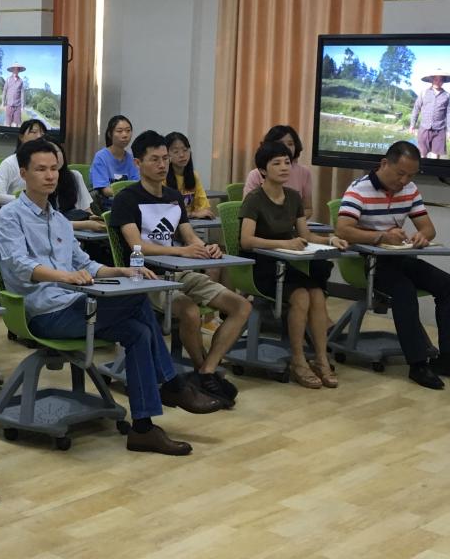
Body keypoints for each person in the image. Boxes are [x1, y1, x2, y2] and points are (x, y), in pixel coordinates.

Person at [0, 139, 225, 455]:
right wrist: (65, 276)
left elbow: (86, 264)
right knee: (138, 301)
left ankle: (143, 428)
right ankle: (172, 384)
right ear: (23, 173)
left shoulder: (60, 220)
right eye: (41, 169)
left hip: (75, 303)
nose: (50, 176)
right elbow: (18, 265)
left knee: (139, 331)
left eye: (54, 169)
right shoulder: (10, 215)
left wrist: (122, 271)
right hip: (43, 312)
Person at [110, 130, 250, 404]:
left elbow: (189, 235)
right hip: (145, 276)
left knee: (241, 306)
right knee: (189, 310)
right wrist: (182, 250)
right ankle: (203, 372)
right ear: (138, 163)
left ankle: (206, 371)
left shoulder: (173, 196)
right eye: (155, 159)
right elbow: (138, 246)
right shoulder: (127, 198)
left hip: (179, 272)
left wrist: (205, 247)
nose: (162, 164)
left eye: (165, 158)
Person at [335, 141, 450, 390]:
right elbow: (343, 230)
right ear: (384, 164)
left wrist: (422, 237)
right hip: (371, 262)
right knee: (404, 292)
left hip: (401, 256)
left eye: (410, 175)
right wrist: (380, 237)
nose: (404, 181)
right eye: (400, 174)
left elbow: (428, 228)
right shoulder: (359, 189)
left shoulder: (410, 190)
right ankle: (418, 364)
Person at [239, 141, 347, 389]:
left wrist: (331, 240)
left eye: (287, 162)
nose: (284, 167)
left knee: (317, 294)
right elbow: (246, 240)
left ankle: (321, 359)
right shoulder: (254, 199)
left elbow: (305, 235)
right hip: (260, 267)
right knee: (301, 297)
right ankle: (298, 361)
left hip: (286, 265)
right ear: (263, 170)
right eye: (276, 163)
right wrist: (284, 243)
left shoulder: (293, 197)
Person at [243, 125, 313, 219]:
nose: (286, 147)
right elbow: (248, 210)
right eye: (280, 143)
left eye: (290, 144)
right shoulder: (255, 175)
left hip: (293, 225)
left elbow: (307, 208)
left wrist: (292, 222)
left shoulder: (304, 173)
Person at [0, 119, 48, 206]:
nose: (39, 136)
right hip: (15, 211)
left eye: (42, 134)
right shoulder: (9, 163)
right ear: (21, 137)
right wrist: (26, 200)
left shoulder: (47, 163)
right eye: (34, 132)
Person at [90, 115, 138, 209]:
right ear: (110, 134)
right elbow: (104, 190)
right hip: (107, 204)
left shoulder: (131, 159)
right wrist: (126, 196)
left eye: (128, 131)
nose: (125, 135)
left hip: (128, 202)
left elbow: (136, 184)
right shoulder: (101, 157)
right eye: (119, 131)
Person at [165, 131, 213, 219]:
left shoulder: (194, 176)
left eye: (185, 150)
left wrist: (197, 213)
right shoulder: (161, 178)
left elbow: (204, 208)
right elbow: (163, 213)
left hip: (192, 223)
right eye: (176, 152)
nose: (182, 155)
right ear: (166, 155)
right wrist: (192, 214)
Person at [410, 68, 450, 159]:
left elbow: (449, 114)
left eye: (440, 79)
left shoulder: (447, 95)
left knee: (435, 157)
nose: (438, 82)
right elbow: (416, 109)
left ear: (443, 81)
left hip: (440, 130)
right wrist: (412, 125)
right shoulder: (423, 93)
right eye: (435, 79)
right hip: (424, 128)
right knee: (422, 154)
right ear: (431, 80)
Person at [2, 61, 26, 127]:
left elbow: (22, 94)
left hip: (18, 106)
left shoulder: (21, 81)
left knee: (16, 125)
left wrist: (22, 106)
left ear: (19, 71)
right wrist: (3, 103)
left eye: (17, 69)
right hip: (9, 105)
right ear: (12, 70)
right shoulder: (8, 79)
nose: (16, 71)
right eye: (14, 69)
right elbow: (4, 91)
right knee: (8, 124)